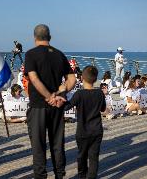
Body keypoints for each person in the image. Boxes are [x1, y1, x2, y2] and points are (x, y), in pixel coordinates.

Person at [24, 24, 76, 178]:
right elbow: (72, 78)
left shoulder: (31, 54)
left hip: (38, 106)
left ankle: (41, 176)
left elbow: (33, 78)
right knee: (57, 144)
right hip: (57, 106)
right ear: (50, 37)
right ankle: (60, 175)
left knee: (38, 146)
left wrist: (48, 97)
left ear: (35, 38)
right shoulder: (59, 54)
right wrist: (61, 93)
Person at [60, 66, 106, 179]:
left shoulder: (79, 94)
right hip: (97, 130)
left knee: (82, 156)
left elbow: (65, 107)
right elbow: (103, 109)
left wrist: (62, 92)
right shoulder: (100, 93)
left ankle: (82, 176)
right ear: (95, 79)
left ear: (82, 78)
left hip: (83, 132)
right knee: (94, 157)